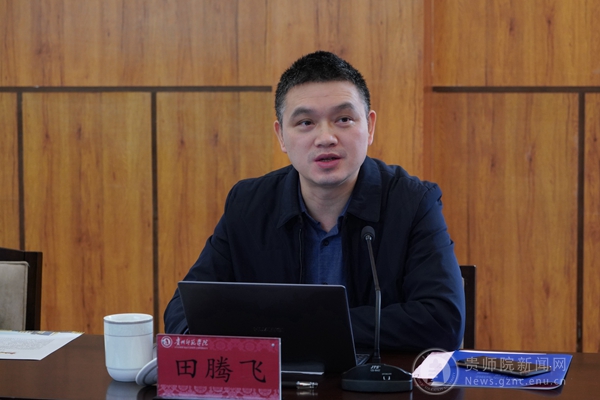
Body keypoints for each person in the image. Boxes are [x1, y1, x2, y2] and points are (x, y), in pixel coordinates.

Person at [164, 51, 465, 351]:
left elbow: (443, 321)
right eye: (306, 122)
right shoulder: (248, 205)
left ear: (370, 127)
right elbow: (184, 310)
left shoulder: (413, 203)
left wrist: (300, 326)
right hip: (276, 379)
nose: (326, 138)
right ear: (281, 136)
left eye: (343, 119)